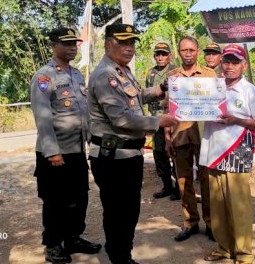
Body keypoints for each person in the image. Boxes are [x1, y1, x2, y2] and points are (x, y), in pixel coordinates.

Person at [88, 23, 178, 264]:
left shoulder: (121, 70)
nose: (129, 48)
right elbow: (121, 118)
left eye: (132, 43)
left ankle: (121, 254)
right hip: (112, 157)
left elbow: (136, 96)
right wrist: (158, 121)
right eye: (123, 43)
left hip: (127, 155)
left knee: (128, 211)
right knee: (119, 212)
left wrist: (161, 89)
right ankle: (119, 258)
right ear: (108, 44)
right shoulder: (105, 75)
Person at [30, 27, 101, 263]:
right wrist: (52, 151)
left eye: (75, 43)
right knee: (55, 201)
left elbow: (83, 111)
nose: (72, 47)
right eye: (67, 43)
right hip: (55, 152)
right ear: (53, 45)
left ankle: (73, 238)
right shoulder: (44, 76)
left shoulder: (77, 75)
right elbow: (42, 117)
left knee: (79, 198)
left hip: (76, 150)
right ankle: (52, 244)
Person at [200, 44, 255, 264]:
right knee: (217, 205)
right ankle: (223, 248)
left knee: (238, 206)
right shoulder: (212, 87)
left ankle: (244, 254)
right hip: (213, 151)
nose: (229, 66)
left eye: (235, 62)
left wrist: (236, 119)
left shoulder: (249, 90)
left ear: (243, 65)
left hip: (236, 151)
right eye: (226, 61)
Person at [165, 36, 217, 242]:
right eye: (184, 50)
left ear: (197, 51)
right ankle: (190, 222)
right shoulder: (172, 76)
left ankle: (211, 223)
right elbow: (167, 110)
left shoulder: (209, 74)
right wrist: (167, 138)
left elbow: (216, 103)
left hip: (204, 135)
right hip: (179, 135)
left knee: (207, 181)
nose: (188, 54)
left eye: (192, 50)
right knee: (183, 181)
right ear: (179, 52)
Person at [146, 42, 179, 201]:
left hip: (171, 118)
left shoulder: (175, 72)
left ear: (170, 56)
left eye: (164, 54)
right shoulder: (151, 73)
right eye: (158, 54)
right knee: (159, 153)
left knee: (174, 152)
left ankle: (179, 187)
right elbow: (148, 94)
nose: (160, 57)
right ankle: (167, 185)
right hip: (155, 119)